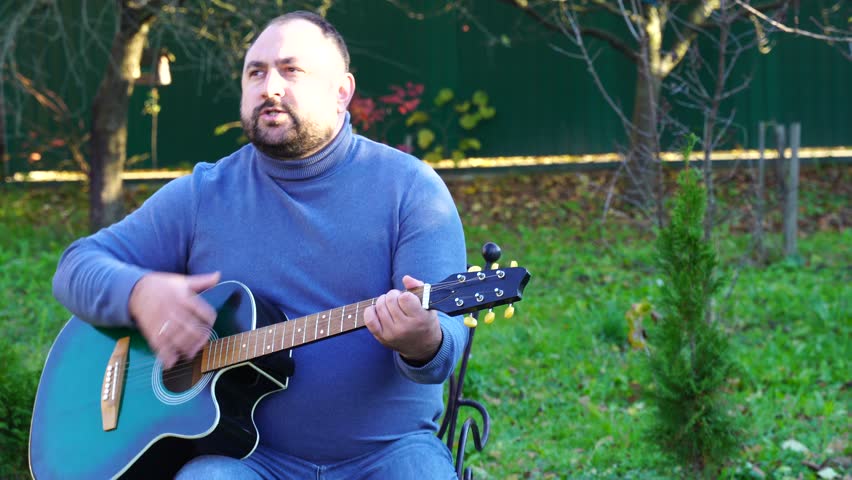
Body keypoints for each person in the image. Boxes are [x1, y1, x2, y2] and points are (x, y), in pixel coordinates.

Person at [52, 10, 467, 479]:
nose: (269, 86)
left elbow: (447, 342)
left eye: (291, 70)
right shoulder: (204, 193)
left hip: (388, 454)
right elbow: (75, 266)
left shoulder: (411, 189)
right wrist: (139, 292)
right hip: (250, 461)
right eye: (256, 71)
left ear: (341, 92)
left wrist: (424, 341)